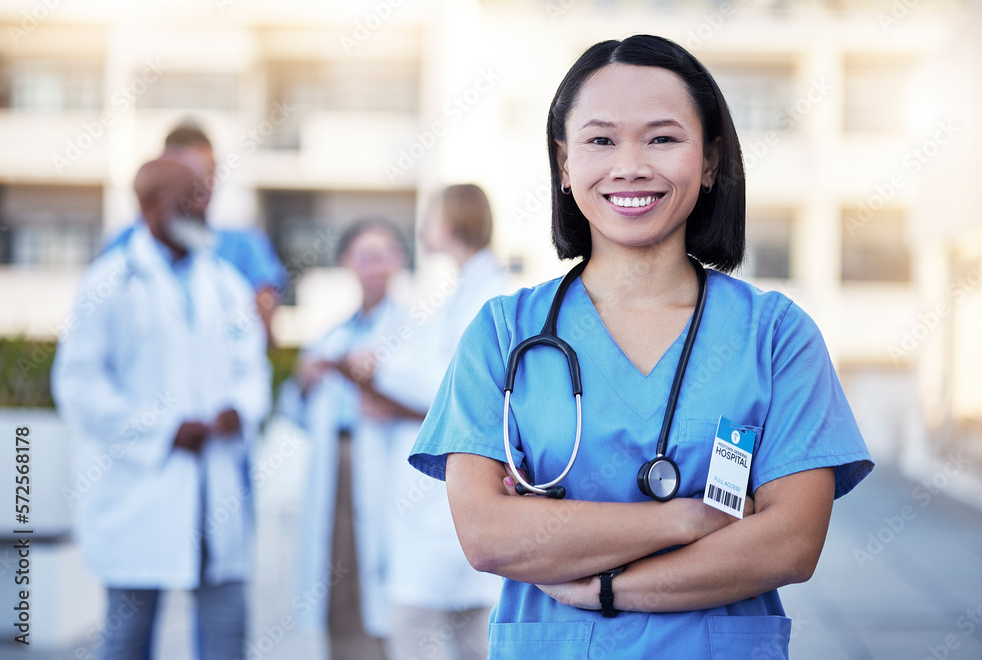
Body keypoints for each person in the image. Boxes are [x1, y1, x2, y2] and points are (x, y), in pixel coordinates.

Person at [408, 35, 874, 658]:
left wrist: (605, 587)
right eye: (600, 140)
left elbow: (790, 543)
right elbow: (489, 536)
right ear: (564, 162)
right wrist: (680, 521)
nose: (630, 166)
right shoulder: (503, 332)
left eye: (662, 137)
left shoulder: (776, 335)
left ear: (709, 160)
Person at [52, 158, 272, 659]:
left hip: (213, 493)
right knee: (127, 642)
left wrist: (239, 409)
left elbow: (252, 369)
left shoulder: (225, 283)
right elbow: (78, 384)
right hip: (140, 494)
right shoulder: (108, 281)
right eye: (186, 197)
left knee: (227, 640)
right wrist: (163, 432)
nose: (201, 206)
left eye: (204, 195)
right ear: (148, 206)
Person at [353, 185, 506, 660]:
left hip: (456, 487)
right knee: (461, 632)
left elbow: (459, 391)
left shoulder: (489, 293)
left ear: (452, 222)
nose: (422, 228)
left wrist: (383, 378)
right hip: (438, 496)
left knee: (424, 626)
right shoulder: (459, 289)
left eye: (431, 216)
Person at [282, 220, 411, 658]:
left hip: (384, 464)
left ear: (399, 261)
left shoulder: (414, 332)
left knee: (383, 581)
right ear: (345, 263)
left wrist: (382, 380)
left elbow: (426, 397)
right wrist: (305, 381)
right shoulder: (330, 335)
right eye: (363, 256)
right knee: (337, 572)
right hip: (335, 464)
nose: (374, 267)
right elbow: (293, 410)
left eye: (383, 255)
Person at [103, 124, 287, 343]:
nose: (205, 188)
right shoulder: (123, 246)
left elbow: (261, 336)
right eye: (191, 176)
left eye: (210, 173)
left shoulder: (244, 246)